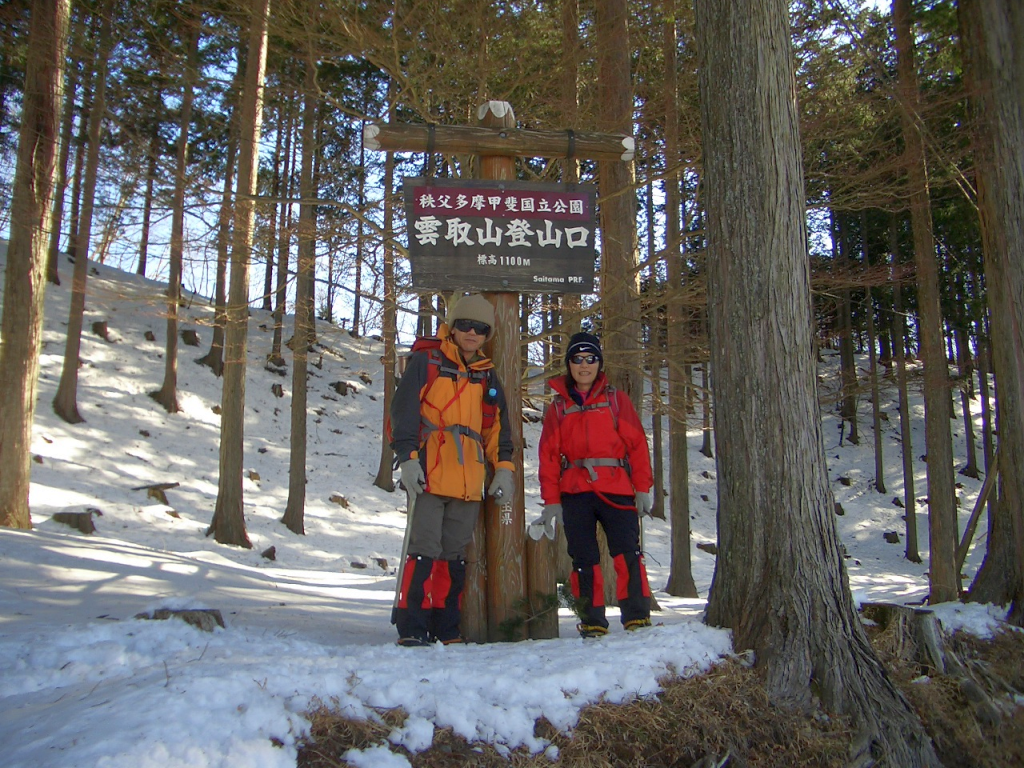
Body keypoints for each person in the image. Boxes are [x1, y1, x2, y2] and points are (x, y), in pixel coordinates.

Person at [390, 294, 516, 646]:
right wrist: (408, 458)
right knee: (423, 548)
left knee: (454, 556)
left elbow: (497, 430)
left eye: (479, 328)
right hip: (429, 472)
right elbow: (403, 412)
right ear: (453, 327)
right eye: (464, 325)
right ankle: (412, 626)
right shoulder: (426, 361)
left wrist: (503, 470)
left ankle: (446, 629)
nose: (472, 332)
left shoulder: (486, 375)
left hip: (469, 479)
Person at [535, 332, 654, 637]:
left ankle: (637, 617)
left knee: (627, 552)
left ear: (599, 364)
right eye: (577, 359)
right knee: (584, 559)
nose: (584, 365)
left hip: (616, 488)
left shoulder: (616, 399)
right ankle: (592, 621)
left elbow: (637, 445)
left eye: (590, 359)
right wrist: (551, 501)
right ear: (569, 364)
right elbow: (548, 456)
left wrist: (642, 487)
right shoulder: (558, 407)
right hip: (575, 491)